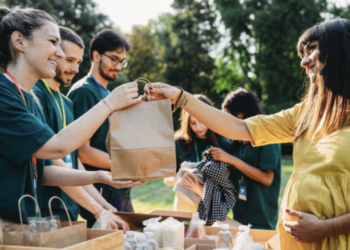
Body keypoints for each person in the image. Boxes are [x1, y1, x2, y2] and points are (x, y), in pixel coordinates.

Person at [144, 19, 350, 250]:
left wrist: (326, 227)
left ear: (340, 49)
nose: (304, 61)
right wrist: (180, 97)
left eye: (312, 48)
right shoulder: (305, 113)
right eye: (303, 52)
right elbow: (237, 127)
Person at [0, 6, 143, 224]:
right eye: (52, 42)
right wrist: (109, 104)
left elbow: (45, 170)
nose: (59, 53)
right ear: (19, 41)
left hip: (23, 224)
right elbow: (57, 146)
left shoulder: (31, 99)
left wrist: (97, 176)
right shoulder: (4, 93)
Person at [32, 26, 129, 231]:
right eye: (69, 60)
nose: (75, 69)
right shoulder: (36, 97)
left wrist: (105, 207)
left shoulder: (67, 103)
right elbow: (52, 165)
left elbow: (74, 162)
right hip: (42, 212)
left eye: (78, 62)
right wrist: (97, 209)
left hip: (69, 210)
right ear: (54, 55)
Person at [67, 29, 134, 227]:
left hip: (118, 187)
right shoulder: (84, 91)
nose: (118, 66)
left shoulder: (106, 92)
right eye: (114, 59)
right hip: (99, 189)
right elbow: (82, 152)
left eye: (122, 61)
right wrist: (129, 167)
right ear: (96, 55)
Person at [208, 88, 281, 229]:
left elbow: (267, 179)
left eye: (232, 115)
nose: (228, 120)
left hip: (261, 219)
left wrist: (232, 160)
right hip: (239, 215)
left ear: (245, 112)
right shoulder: (237, 141)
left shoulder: (267, 136)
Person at [164, 94, 230, 211]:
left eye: (201, 121)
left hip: (211, 205)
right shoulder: (179, 142)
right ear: (186, 122)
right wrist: (182, 175)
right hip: (184, 204)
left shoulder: (223, 142)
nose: (198, 127)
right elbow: (167, 181)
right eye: (193, 123)